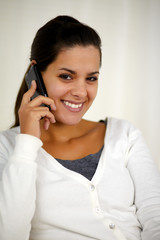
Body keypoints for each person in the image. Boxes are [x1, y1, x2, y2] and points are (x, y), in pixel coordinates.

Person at [0, 15, 160, 240]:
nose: (81, 92)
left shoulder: (124, 135)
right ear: (35, 76)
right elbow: (9, 234)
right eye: (66, 76)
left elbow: (155, 215)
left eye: (91, 78)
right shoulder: (7, 148)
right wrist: (27, 144)